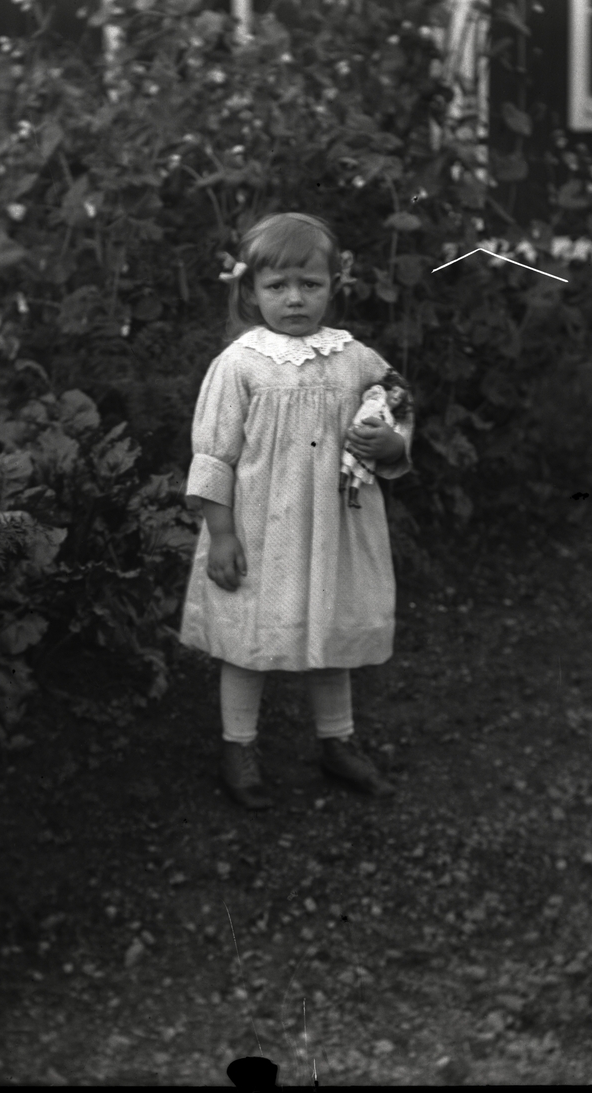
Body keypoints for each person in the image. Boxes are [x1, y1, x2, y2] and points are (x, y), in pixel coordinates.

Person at [179, 212, 414, 810]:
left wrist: (391, 443)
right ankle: (238, 748)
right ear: (251, 290)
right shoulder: (240, 364)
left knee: (330, 629)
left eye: (310, 285)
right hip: (259, 528)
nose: (294, 299)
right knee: (248, 636)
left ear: (335, 284)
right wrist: (221, 533)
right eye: (277, 286)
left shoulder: (355, 359)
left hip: (334, 526)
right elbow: (213, 456)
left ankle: (337, 742)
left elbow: (396, 405)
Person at [339, 371, 412, 508]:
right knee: (349, 461)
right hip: (358, 436)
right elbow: (364, 412)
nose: (396, 396)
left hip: (368, 448)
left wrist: (394, 445)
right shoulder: (376, 403)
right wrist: (358, 424)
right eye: (395, 391)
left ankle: (353, 497)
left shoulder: (391, 418)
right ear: (387, 389)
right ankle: (342, 482)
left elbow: (403, 430)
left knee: (361, 473)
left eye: (400, 396)